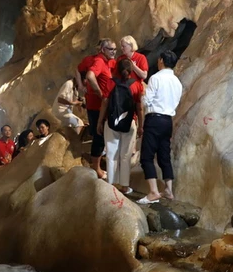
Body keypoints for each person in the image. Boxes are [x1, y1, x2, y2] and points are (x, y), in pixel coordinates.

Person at [138, 51, 183, 204]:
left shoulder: (155, 78)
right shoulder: (177, 82)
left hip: (154, 119)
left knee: (146, 157)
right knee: (164, 156)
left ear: (162, 60)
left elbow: (147, 101)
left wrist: (143, 95)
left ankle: (153, 192)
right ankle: (169, 190)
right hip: (167, 121)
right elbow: (176, 102)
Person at [97, 57, 145, 187]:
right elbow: (139, 107)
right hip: (130, 123)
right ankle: (124, 185)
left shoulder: (110, 83)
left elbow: (105, 102)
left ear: (116, 70)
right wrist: (141, 125)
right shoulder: (137, 84)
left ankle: (111, 184)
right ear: (131, 71)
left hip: (112, 123)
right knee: (125, 155)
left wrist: (100, 121)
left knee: (112, 154)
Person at [76, 39, 117, 178]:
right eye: (111, 49)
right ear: (102, 49)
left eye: (115, 49)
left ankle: (100, 164)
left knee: (103, 135)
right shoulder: (98, 61)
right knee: (99, 136)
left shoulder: (108, 61)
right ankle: (97, 168)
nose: (113, 51)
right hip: (96, 105)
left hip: (102, 104)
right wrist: (99, 93)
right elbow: (88, 74)